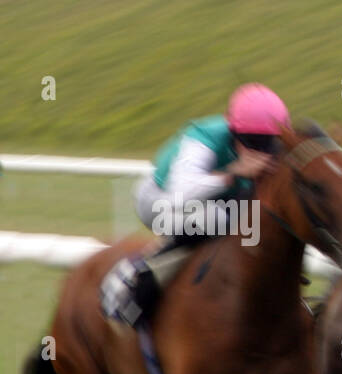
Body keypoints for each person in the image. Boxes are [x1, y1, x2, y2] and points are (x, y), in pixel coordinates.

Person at [100, 83, 287, 328]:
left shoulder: (271, 148)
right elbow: (182, 194)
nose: (261, 151)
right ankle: (139, 280)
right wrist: (233, 172)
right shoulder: (204, 137)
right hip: (159, 202)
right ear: (233, 133)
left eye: (269, 143)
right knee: (217, 219)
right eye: (252, 141)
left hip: (212, 203)